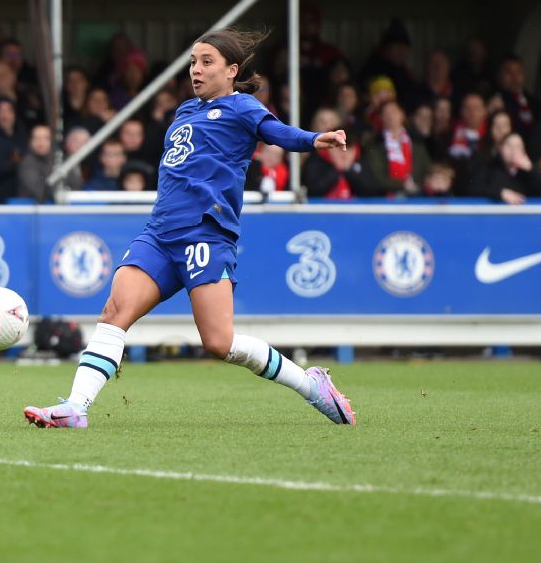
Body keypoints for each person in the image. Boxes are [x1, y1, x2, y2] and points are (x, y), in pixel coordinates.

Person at [24, 27, 356, 431]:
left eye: (206, 62)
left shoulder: (243, 107)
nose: (196, 71)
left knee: (219, 343)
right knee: (114, 313)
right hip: (160, 235)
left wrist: (313, 139)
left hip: (206, 235)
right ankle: (76, 408)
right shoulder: (184, 112)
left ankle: (310, 384)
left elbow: (277, 133)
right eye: (193, 63)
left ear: (232, 70)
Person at [467, 132, 541, 204]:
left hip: (524, 215)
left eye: (518, 146)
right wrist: (500, 193)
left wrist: (532, 170)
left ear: (524, 151)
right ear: (501, 148)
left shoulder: (528, 173)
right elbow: (472, 188)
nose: (513, 150)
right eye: (509, 146)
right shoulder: (489, 167)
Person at [16, 124, 64, 202]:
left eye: (46, 138)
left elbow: (74, 184)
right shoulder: (27, 163)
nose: (41, 143)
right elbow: (39, 191)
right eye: (37, 138)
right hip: (29, 211)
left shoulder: (57, 160)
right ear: (30, 141)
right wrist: (61, 191)